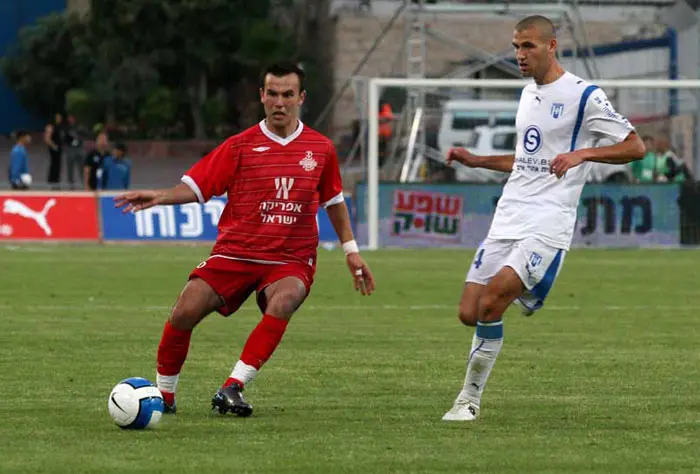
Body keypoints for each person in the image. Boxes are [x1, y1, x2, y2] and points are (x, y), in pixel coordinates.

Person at [115, 62, 375, 417]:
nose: (279, 102)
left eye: (287, 95)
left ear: (301, 98)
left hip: (290, 258)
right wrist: (160, 196)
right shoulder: (239, 146)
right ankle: (164, 397)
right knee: (184, 310)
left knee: (284, 301)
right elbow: (196, 186)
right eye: (272, 94)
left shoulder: (321, 149)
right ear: (262, 97)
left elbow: (334, 202)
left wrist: (351, 252)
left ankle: (232, 386)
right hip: (236, 251)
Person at [442, 15, 645, 422]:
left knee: (492, 303)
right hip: (510, 212)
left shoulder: (584, 95)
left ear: (552, 46)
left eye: (528, 46)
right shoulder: (527, 95)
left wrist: (582, 154)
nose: (520, 54)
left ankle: (468, 400)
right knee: (469, 311)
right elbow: (526, 160)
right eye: (516, 46)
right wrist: (478, 160)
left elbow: (635, 146)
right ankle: (531, 286)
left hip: (550, 217)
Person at [65, 115, 86, 189]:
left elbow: (84, 134)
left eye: (72, 118)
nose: (71, 119)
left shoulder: (79, 126)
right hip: (70, 149)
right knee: (70, 169)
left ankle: (84, 184)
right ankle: (71, 186)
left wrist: (78, 136)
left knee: (82, 168)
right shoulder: (67, 127)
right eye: (69, 118)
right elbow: (64, 138)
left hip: (79, 148)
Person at [44, 113, 65, 189]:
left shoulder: (59, 127)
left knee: (58, 165)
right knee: (54, 164)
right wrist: (53, 146)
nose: (59, 119)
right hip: (54, 148)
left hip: (59, 148)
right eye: (58, 118)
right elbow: (47, 138)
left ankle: (56, 180)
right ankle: (52, 181)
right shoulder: (50, 126)